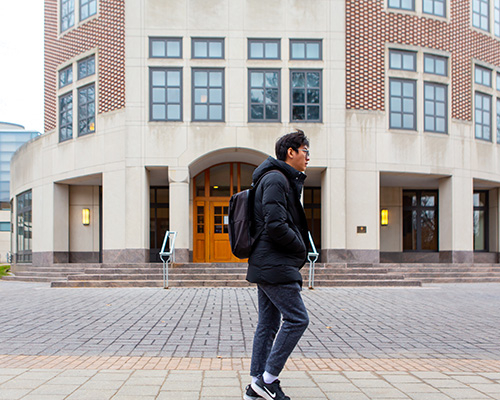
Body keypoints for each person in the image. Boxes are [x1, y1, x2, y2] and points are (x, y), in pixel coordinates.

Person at [244, 130, 311, 400]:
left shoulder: (276, 178)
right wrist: (301, 248)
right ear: (290, 152)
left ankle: (254, 387)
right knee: (297, 319)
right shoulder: (275, 179)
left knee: (268, 324)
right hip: (274, 262)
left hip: (268, 262)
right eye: (305, 151)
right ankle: (268, 379)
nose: (308, 157)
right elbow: (275, 225)